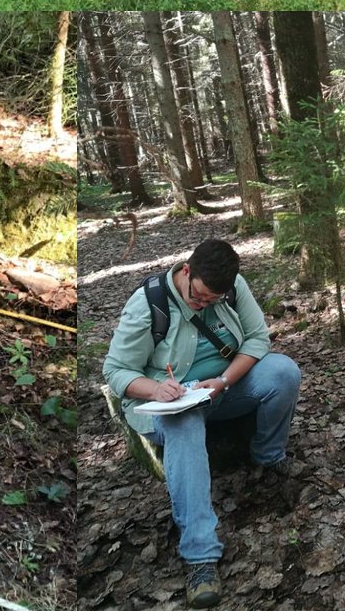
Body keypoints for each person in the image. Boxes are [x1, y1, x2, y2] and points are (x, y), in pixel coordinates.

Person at [103, 238, 301, 609]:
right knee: (186, 418)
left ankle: (269, 456)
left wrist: (224, 381)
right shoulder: (150, 303)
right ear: (187, 272)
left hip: (220, 389)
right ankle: (200, 557)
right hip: (166, 402)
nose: (204, 304)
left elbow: (259, 340)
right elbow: (115, 371)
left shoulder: (232, 288)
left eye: (213, 300)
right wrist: (157, 389)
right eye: (199, 297)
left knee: (284, 372)